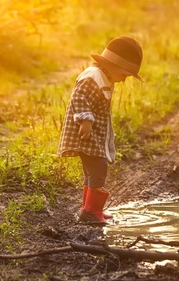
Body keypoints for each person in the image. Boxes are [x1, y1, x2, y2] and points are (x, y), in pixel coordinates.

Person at [58, 36, 144, 224]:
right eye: (124, 75)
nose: (122, 80)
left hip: (92, 133)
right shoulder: (93, 77)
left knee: (92, 170)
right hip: (86, 133)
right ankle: (90, 212)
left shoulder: (104, 76)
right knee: (98, 168)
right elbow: (79, 97)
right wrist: (85, 121)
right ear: (114, 67)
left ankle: (89, 209)